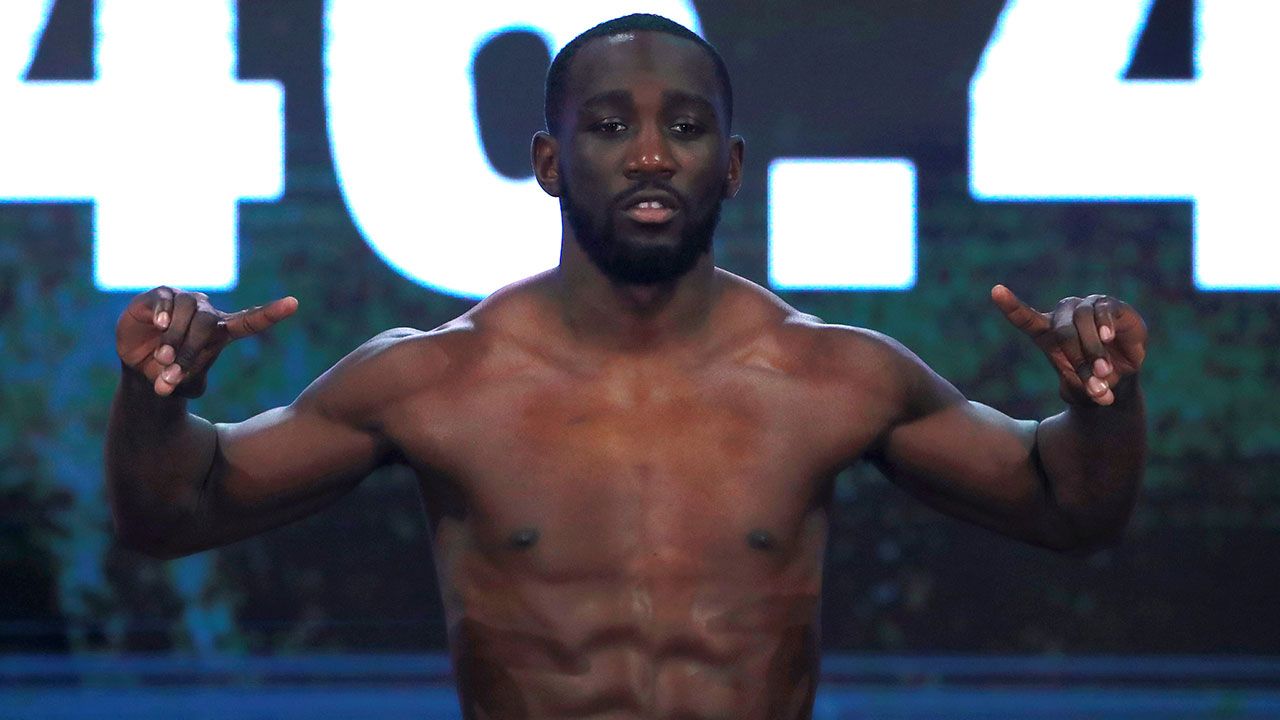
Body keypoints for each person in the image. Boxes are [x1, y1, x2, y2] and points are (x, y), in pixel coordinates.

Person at [106, 13, 1147, 719]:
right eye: (609, 128)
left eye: (685, 129)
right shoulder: (438, 382)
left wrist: (1101, 400)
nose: (650, 155)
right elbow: (173, 513)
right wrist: (156, 397)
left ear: (729, 168)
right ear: (548, 163)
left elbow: (1068, 507)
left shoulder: (831, 377)